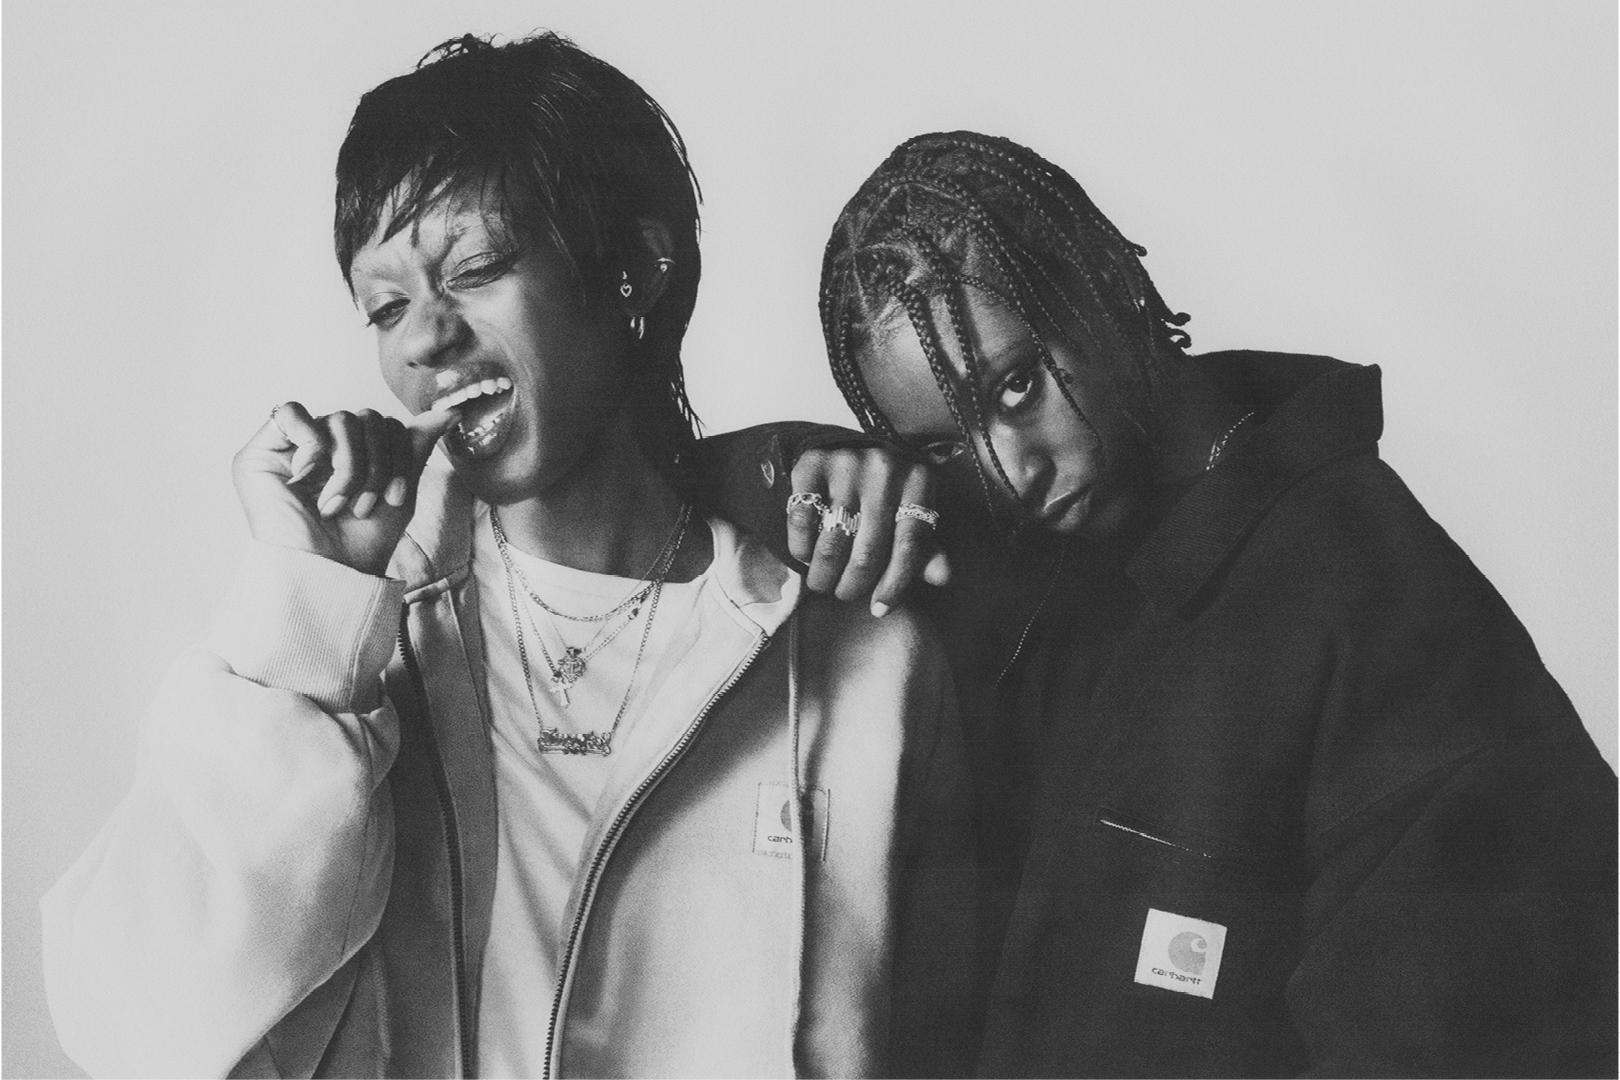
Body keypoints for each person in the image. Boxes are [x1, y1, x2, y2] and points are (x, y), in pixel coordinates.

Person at [41, 37, 978, 1079]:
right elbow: (137, 1032)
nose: (424, 339)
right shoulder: (365, 651)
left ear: (632, 270)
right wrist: (307, 617)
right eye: (387, 306)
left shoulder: (864, 659)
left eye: (475, 271)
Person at [764, 130, 1616, 1077]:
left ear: (1107, 289)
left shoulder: (1376, 598)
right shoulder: (1005, 580)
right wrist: (787, 472)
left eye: (1017, 386)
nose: (1009, 473)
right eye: (944, 445)